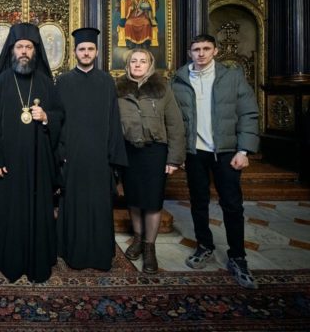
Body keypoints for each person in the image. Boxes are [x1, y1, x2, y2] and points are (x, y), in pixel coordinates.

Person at [172, 34, 259, 289]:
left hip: (226, 151)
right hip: (195, 152)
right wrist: (179, 153)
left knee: (232, 204)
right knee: (198, 202)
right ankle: (204, 246)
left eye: (206, 48)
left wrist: (244, 150)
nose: (201, 53)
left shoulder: (232, 77)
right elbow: (174, 120)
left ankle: (238, 257)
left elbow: (248, 113)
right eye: (196, 49)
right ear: (190, 53)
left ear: (215, 51)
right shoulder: (179, 80)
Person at [0, 22, 63, 283]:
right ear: (11, 50)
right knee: (9, 212)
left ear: (35, 51)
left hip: (39, 163)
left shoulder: (46, 83)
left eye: (28, 47)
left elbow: (60, 117)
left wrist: (47, 117)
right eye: (19, 46)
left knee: (39, 212)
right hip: (8, 164)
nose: (24, 52)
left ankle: (38, 261)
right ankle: (10, 260)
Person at [55, 27, 128, 271]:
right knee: (73, 206)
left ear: (96, 52)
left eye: (90, 49)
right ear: (75, 52)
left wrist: (112, 158)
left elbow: (114, 120)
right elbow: (58, 121)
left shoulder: (106, 81)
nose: (86, 53)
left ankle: (100, 256)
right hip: (73, 157)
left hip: (100, 159)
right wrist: (61, 155)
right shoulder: (63, 82)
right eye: (82, 49)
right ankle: (73, 254)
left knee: (99, 207)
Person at [116, 48, 185, 274]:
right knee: (134, 200)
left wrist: (174, 159)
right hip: (129, 151)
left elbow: (175, 124)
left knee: (153, 201)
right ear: (128, 65)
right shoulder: (118, 89)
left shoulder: (162, 88)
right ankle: (137, 239)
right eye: (133, 61)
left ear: (150, 64)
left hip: (155, 151)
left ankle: (149, 247)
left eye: (142, 61)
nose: (137, 64)